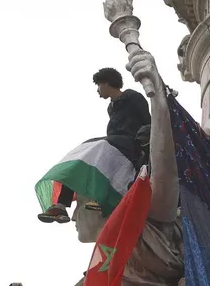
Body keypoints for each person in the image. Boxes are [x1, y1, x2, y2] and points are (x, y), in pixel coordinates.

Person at [40, 68, 152, 223]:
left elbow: (149, 122)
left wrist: (145, 145)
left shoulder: (132, 97)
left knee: (95, 150)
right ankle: (61, 205)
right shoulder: (111, 108)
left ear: (107, 83)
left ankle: (99, 198)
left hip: (130, 145)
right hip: (114, 145)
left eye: (99, 85)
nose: (98, 90)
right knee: (82, 156)